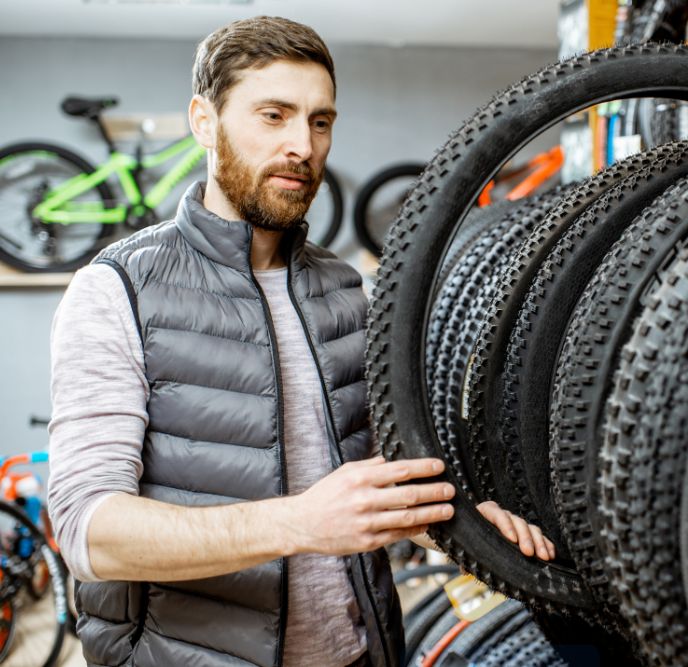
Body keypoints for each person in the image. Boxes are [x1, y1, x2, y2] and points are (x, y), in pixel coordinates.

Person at [48, 16, 554, 667]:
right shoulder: (116, 289)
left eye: (319, 121)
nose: (303, 145)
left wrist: (458, 524)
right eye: (274, 115)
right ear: (205, 121)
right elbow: (90, 533)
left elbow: (367, 485)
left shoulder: (345, 289)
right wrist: (300, 521)